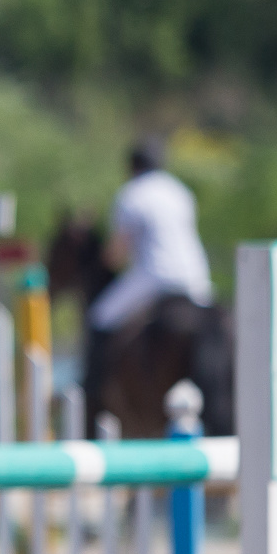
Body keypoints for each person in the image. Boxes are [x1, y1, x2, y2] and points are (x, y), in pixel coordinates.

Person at [84, 135, 214, 419]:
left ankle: (91, 396)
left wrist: (102, 261)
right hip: (195, 277)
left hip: (155, 276)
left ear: (132, 166)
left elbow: (117, 252)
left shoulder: (132, 194)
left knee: (99, 317)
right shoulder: (180, 191)